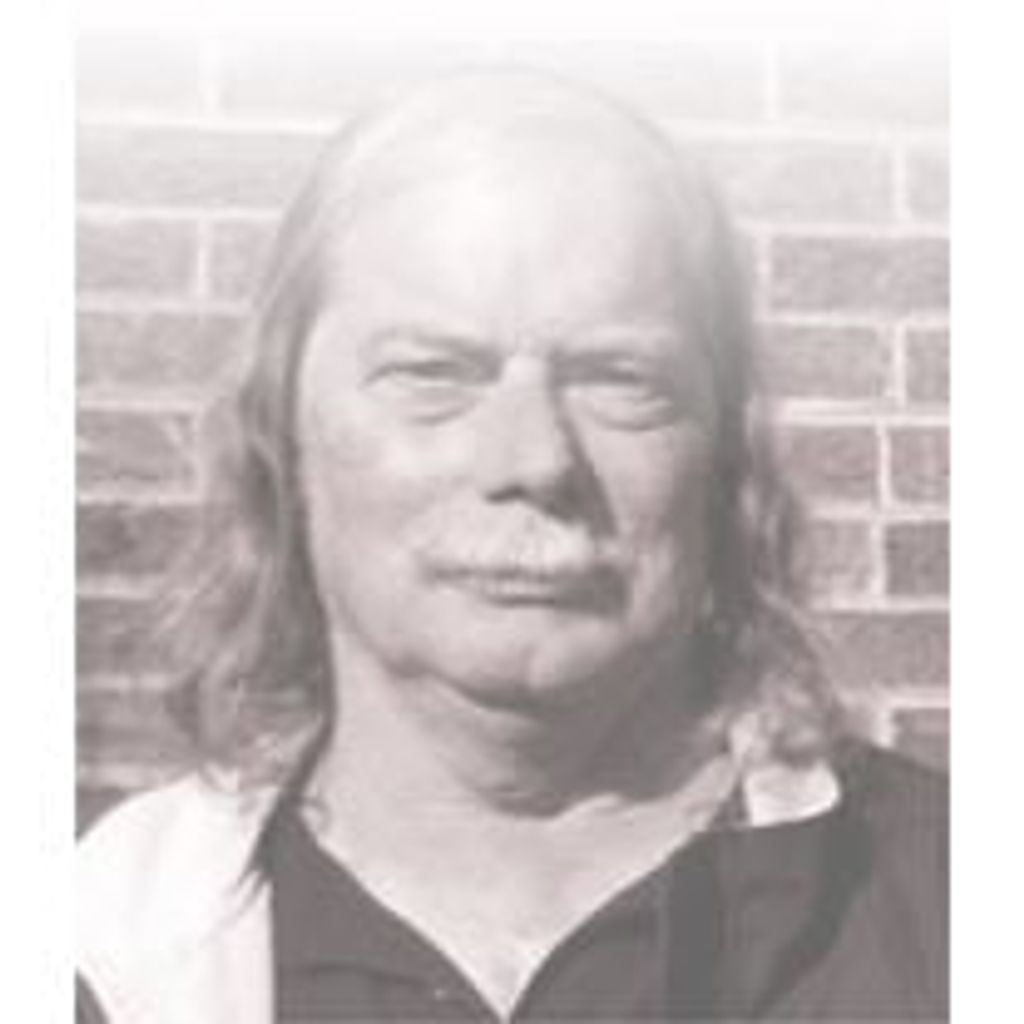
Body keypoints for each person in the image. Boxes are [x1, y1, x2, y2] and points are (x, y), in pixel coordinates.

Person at [76, 70, 947, 1022]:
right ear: (279, 432)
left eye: (619, 378)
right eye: (433, 372)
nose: (534, 459)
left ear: (726, 455)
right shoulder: (94, 954)